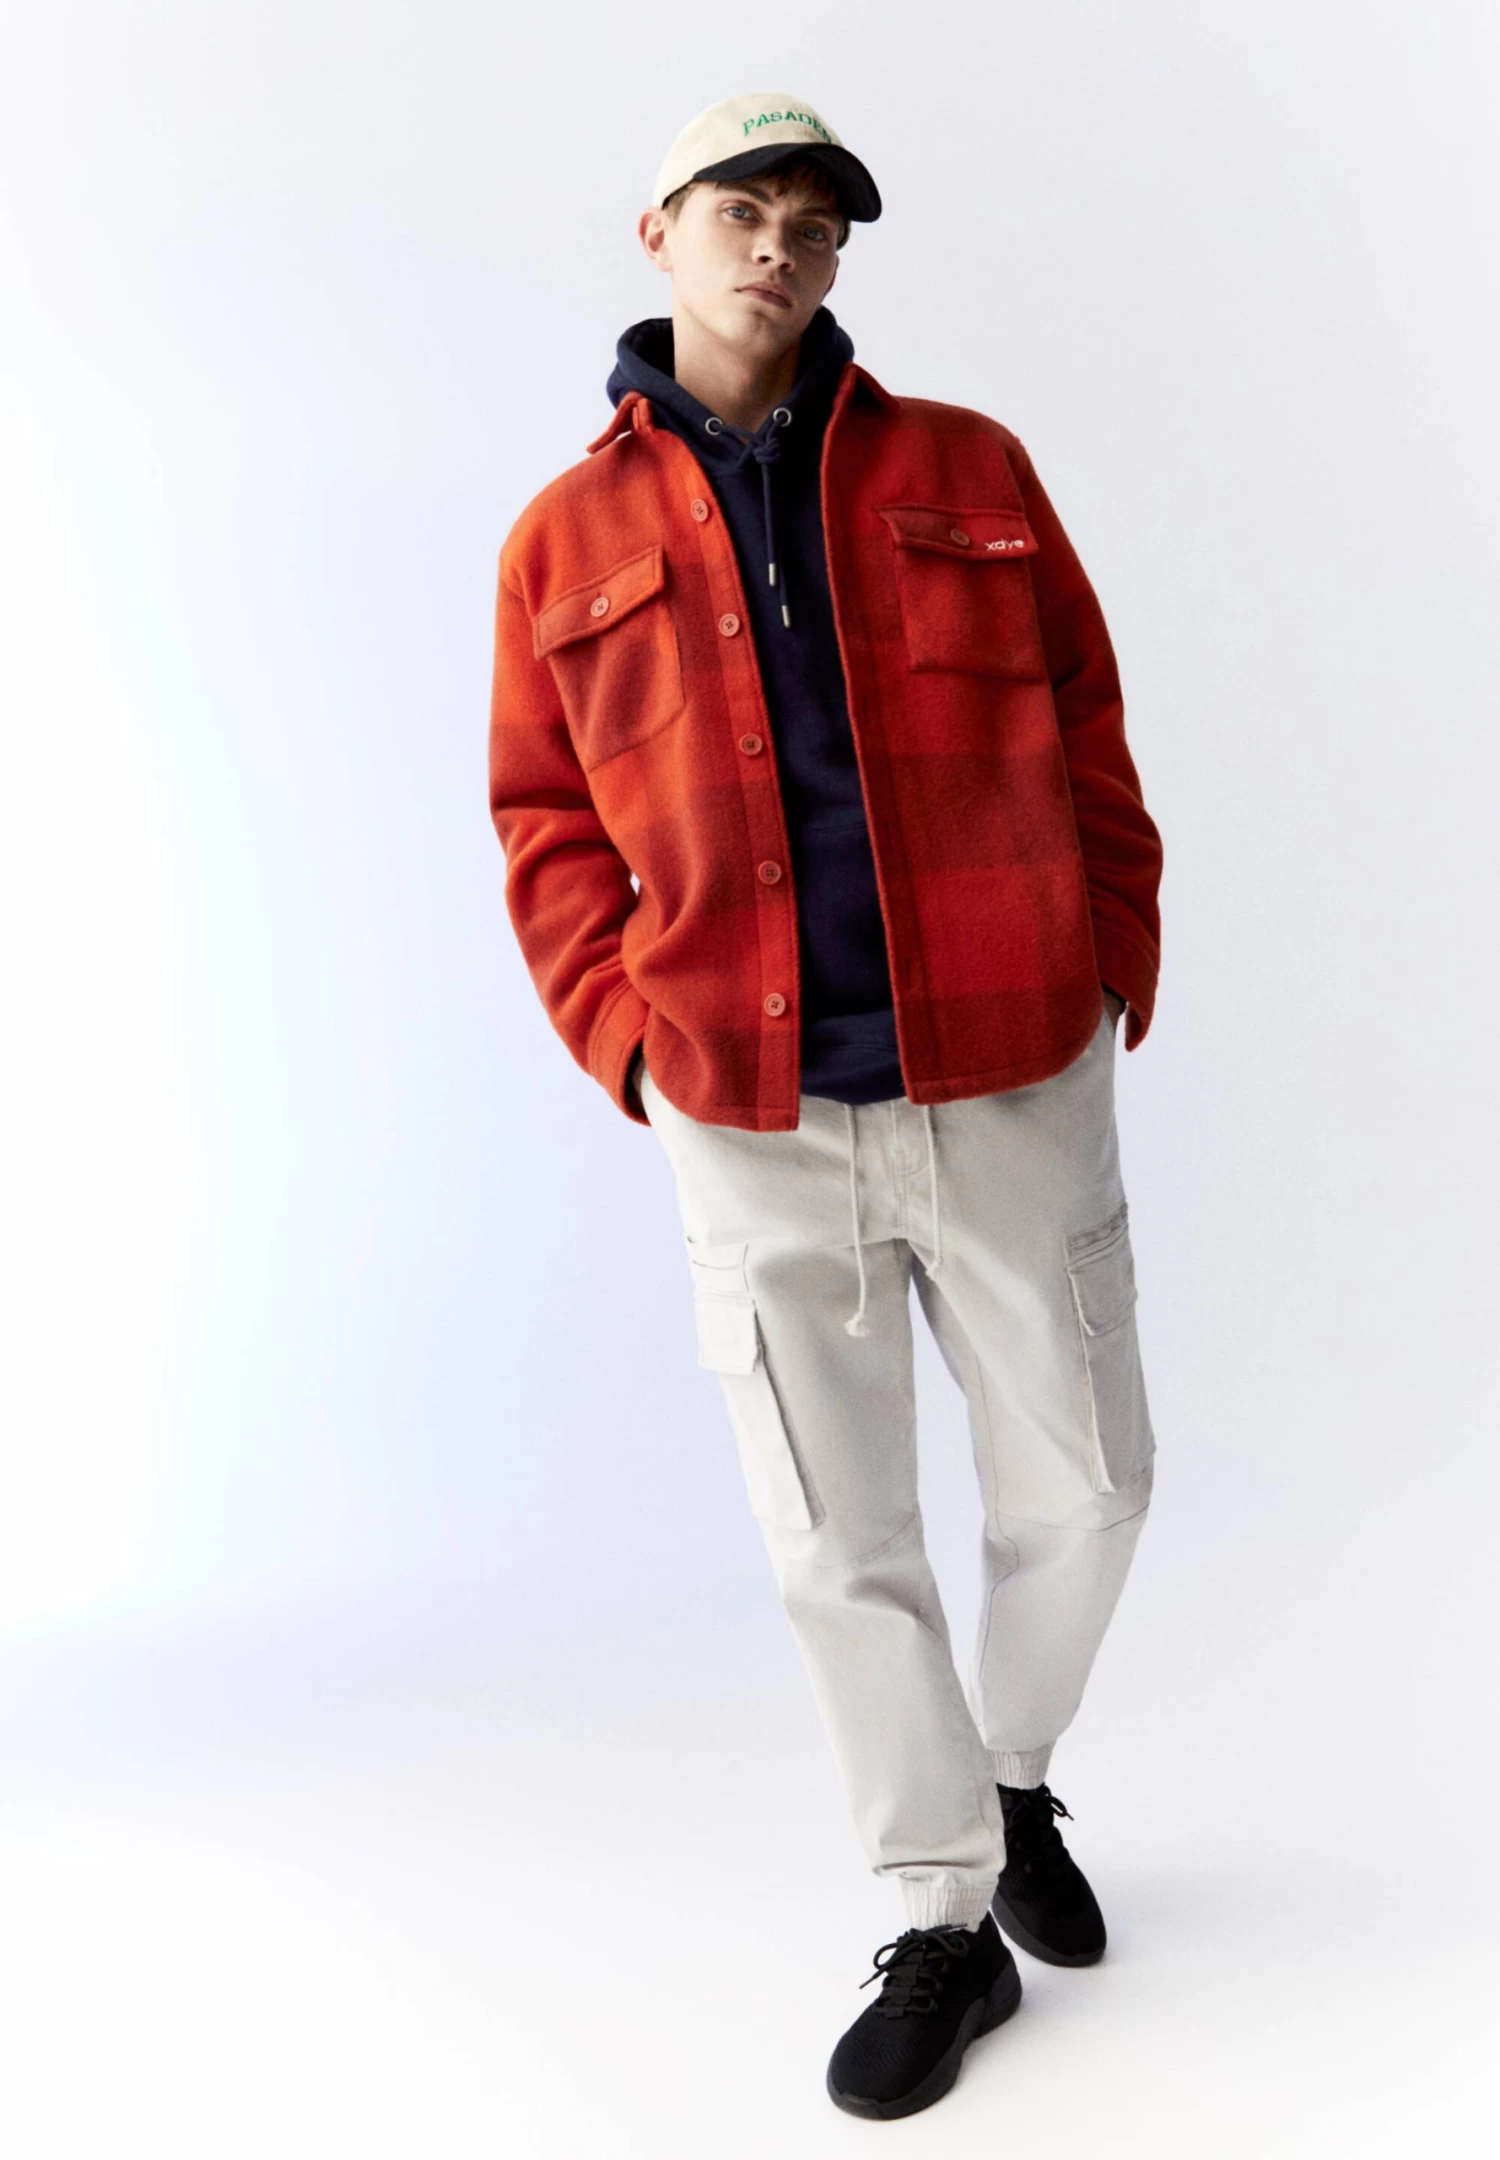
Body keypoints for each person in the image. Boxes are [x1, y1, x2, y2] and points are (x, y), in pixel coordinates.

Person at [488, 90, 1164, 2122]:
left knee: (1092, 1487)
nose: (779, 247)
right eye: (742, 210)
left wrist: (1111, 956)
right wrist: (626, 1039)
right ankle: (941, 1913)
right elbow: (541, 819)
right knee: (836, 1538)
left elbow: (1088, 718)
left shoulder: (968, 467)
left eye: (814, 222)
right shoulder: (563, 540)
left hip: (1009, 1064)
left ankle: (1011, 1779)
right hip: (751, 1103)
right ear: (661, 232)